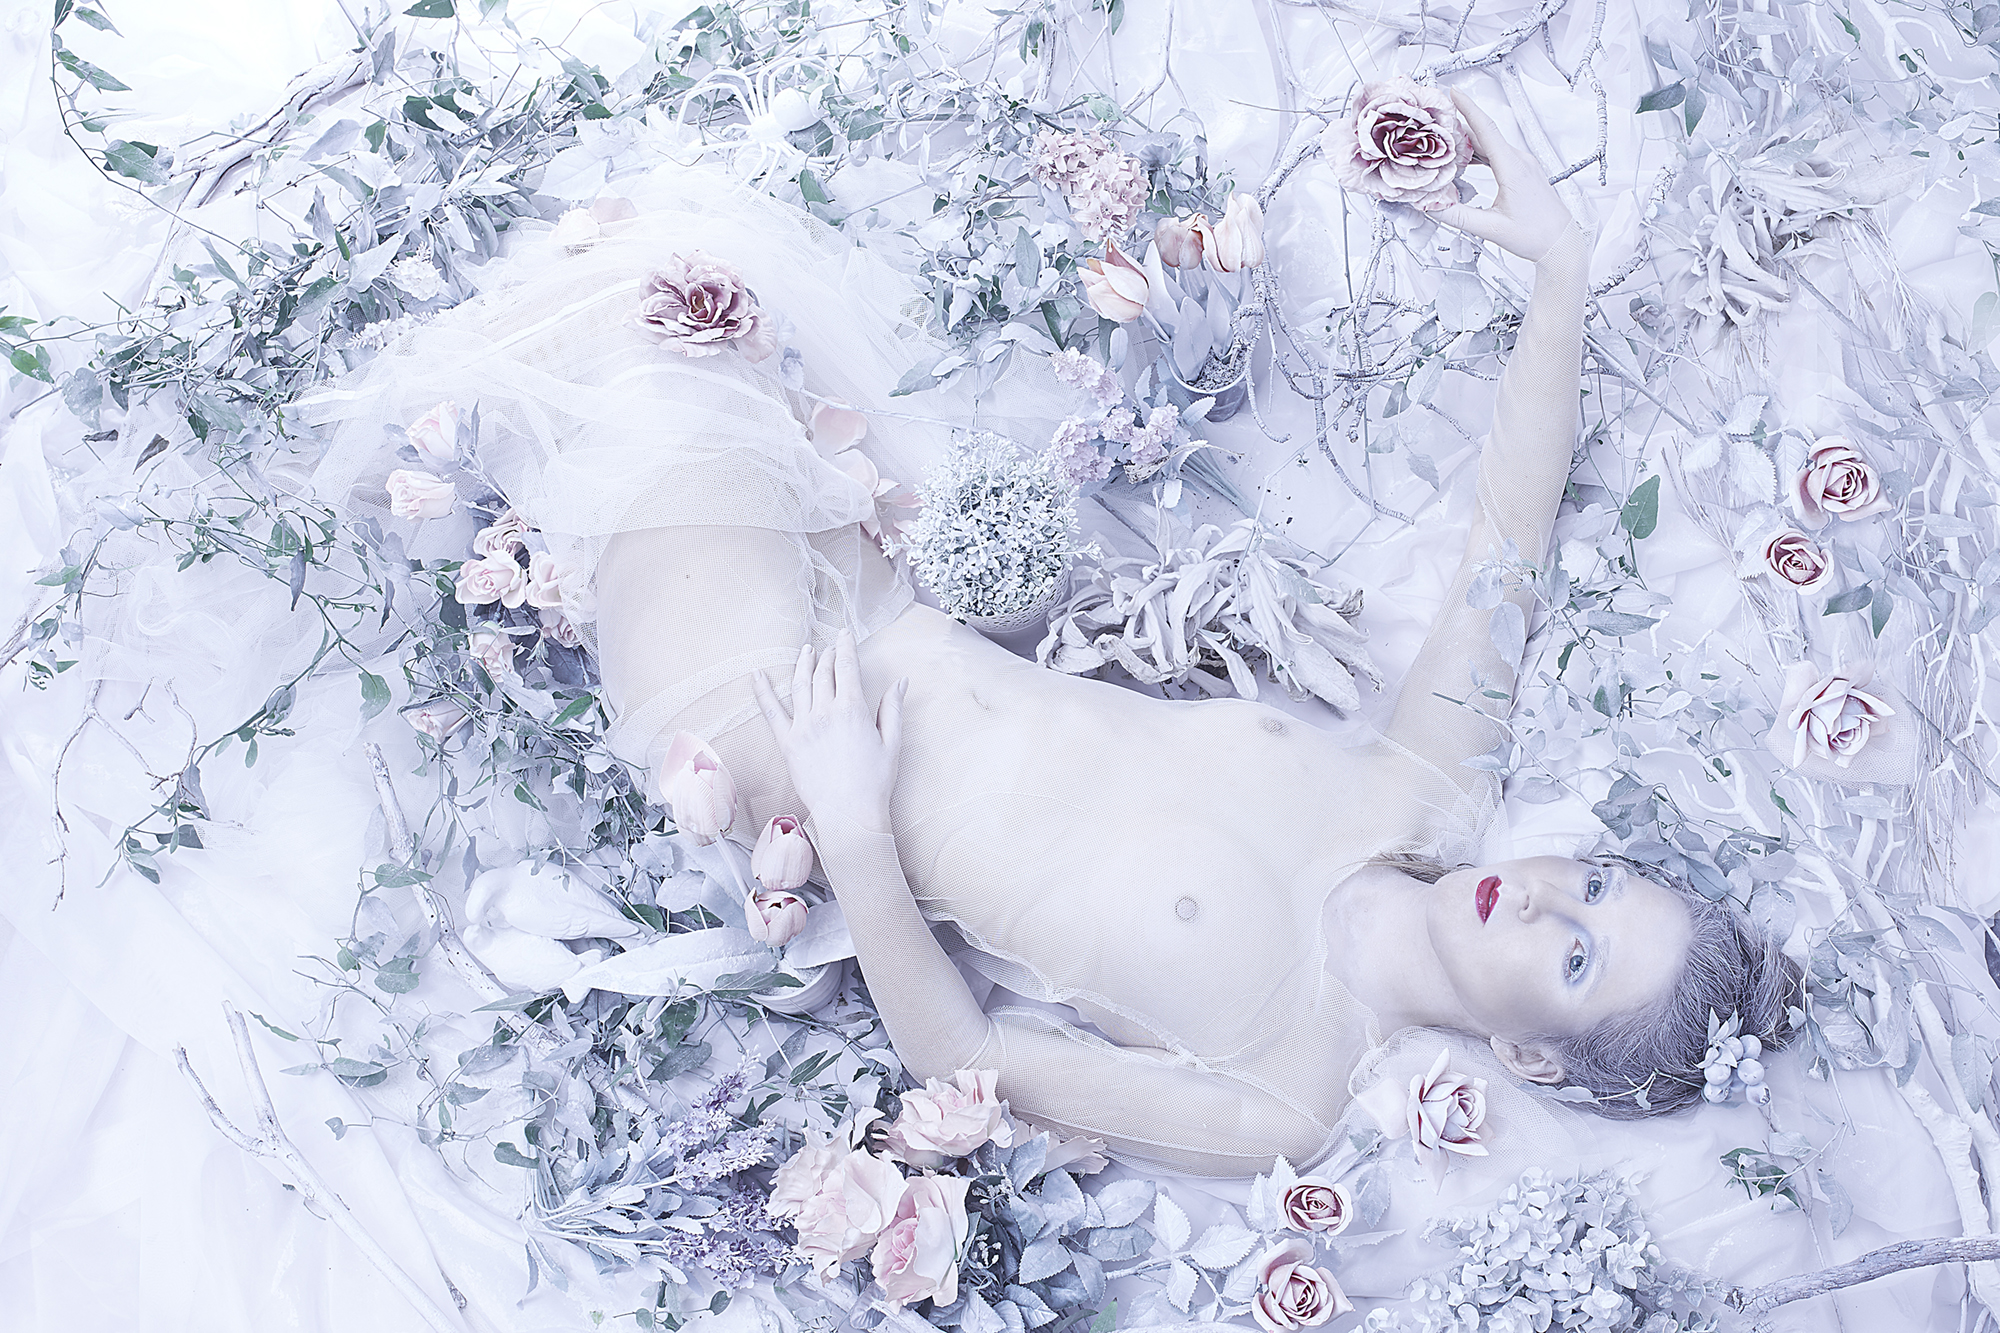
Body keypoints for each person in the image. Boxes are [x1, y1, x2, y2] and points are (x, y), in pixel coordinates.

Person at [324, 94, 1800, 1177]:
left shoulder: (1287, 1094)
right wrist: (1560, 268)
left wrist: (852, 823)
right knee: (690, 287)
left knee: (629, 342)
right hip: (884, 588)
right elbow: (1506, 541)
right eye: (1594, 882)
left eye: (1578, 957)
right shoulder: (1424, 790)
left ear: (1530, 1055)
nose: (1543, 903)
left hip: (772, 739)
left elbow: (964, 1057)